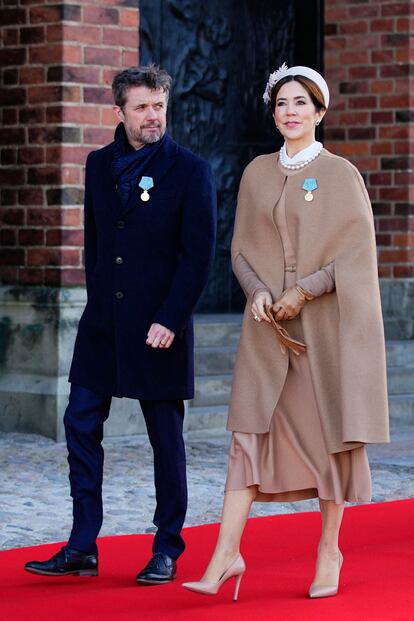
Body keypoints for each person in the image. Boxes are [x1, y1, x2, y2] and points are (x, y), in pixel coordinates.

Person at [182, 63, 389, 601]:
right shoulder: (255, 173)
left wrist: (306, 291)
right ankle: (227, 555)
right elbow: (241, 250)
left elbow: (356, 255)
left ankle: (329, 550)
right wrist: (256, 291)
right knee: (246, 436)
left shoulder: (342, 175)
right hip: (267, 329)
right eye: (281, 104)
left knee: (328, 438)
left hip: (321, 327)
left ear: (319, 111)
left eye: (300, 103)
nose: (289, 112)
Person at [24, 65, 217, 584]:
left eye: (159, 106)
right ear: (120, 112)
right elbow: (95, 245)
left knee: (165, 439)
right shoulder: (97, 164)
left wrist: (171, 319)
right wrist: (97, 306)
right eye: (142, 107)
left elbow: (197, 257)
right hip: (103, 326)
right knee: (80, 425)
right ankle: (83, 544)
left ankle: (167, 547)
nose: (153, 116)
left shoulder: (191, 171)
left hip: (160, 328)